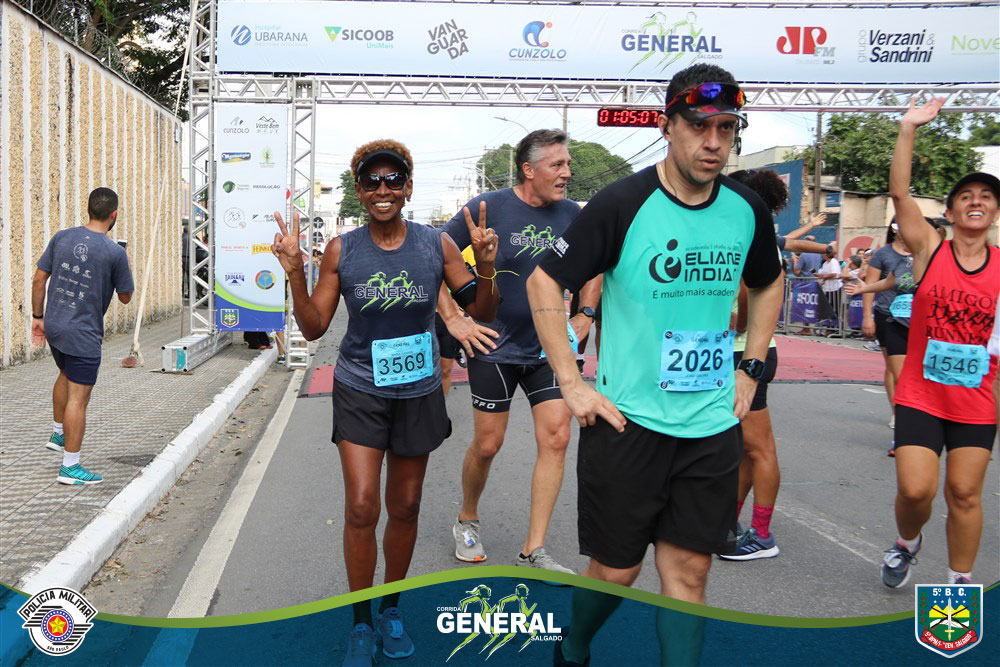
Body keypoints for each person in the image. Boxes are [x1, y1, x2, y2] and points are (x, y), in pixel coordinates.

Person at [527, 65, 783, 664]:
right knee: (617, 571)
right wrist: (571, 382)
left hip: (711, 424)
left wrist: (751, 367)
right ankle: (575, 645)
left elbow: (769, 283)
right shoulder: (623, 203)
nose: (713, 143)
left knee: (690, 572)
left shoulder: (746, 209)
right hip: (629, 422)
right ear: (668, 126)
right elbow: (544, 282)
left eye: (726, 129)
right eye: (698, 126)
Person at [271, 140, 499, 665]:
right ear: (359, 190)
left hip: (417, 392)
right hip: (359, 388)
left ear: (408, 187)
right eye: (371, 181)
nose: (383, 189)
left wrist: (486, 266)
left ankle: (390, 609)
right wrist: (295, 272)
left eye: (393, 179)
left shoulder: (435, 245)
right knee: (360, 506)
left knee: (406, 506)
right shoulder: (343, 249)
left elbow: (483, 310)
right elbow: (314, 326)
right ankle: (359, 621)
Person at [439, 129, 601, 573]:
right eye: (558, 164)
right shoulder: (486, 208)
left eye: (568, 164)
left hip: (550, 348)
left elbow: (595, 266)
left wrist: (585, 313)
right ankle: (467, 519)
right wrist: (456, 318)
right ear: (529, 169)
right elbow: (432, 256)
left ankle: (534, 550)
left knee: (557, 437)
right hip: (494, 345)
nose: (567, 173)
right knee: (488, 444)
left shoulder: (572, 214)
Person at [879, 98, 999, 589]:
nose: (976, 201)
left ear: (995, 211)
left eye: (986, 196)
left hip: (976, 400)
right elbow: (900, 193)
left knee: (965, 494)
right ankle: (907, 541)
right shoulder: (930, 250)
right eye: (965, 195)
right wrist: (909, 127)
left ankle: (958, 586)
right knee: (916, 491)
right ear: (949, 211)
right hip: (922, 395)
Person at [716, 169, 826, 561]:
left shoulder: (747, 234)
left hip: (745, 352)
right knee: (745, 449)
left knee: (758, 449)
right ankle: (728, 522)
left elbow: (747, 296)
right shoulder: (757, 233)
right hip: (748, 351)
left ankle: (762, 535)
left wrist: (734, 322)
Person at [31, 187, 134, 485]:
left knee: (66, 373)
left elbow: (39, 279)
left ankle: (58, 433)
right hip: (83, 333)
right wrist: (122, 266)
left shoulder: (62, 237)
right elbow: (126, 297)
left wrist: (38, 317)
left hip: (55, 326)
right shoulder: (114, 253)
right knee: (79, 397)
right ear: (114, 215)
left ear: (88, 209)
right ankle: (70, 467)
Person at [861, 222, 912, 427]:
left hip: (916, 318)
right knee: (893, 367)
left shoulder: (922, 253)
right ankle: (897, 411)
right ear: (894, 229)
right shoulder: (883, 254)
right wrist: (867, 316)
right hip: (887, 315)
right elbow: (870, 286)